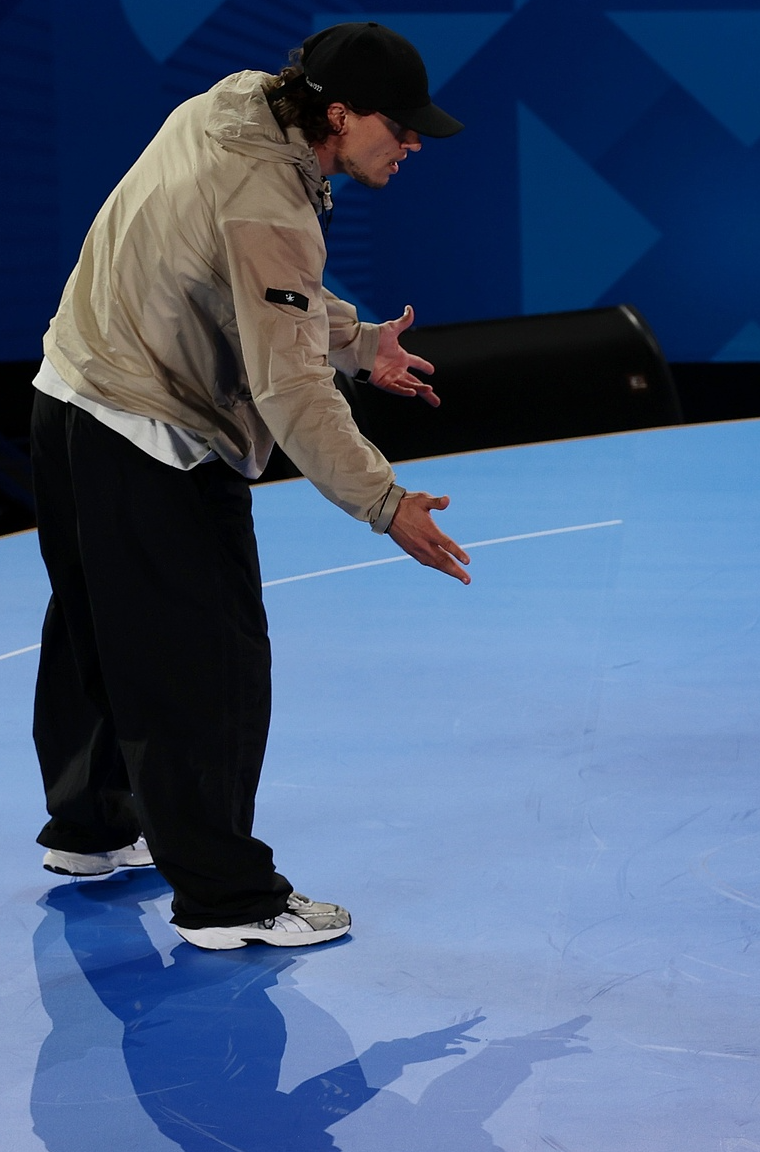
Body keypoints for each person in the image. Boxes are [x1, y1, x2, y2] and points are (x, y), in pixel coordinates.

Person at [29, 22, 470, 950]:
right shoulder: (270, 198)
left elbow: (255, 288)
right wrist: (385, 503)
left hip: (67, 399)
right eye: (402, 124)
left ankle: (92, 828)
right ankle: (229, 900)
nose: (416, 142)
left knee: (95, 629)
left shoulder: (238, 102)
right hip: (152, 431)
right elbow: (287, 383)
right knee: (207, 668)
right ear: (340, 114)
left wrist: (356, 340)